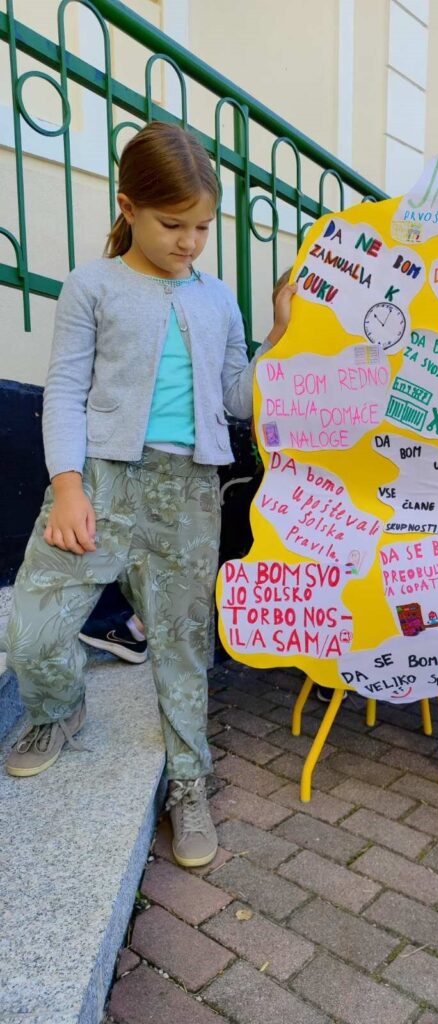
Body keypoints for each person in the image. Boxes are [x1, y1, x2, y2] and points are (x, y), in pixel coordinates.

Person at [3, 121, 293, 871]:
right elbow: (65, 390)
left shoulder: (218, 299)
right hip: (98, 479)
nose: (190, 242)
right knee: (33, 629)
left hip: (187, 490)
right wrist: (68, 486)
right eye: (173, 224)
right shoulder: (92, 286)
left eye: (203, 227)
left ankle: (189, 779)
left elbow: (237, 396)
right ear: (128, 207)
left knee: (182, 642)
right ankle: (57, 711)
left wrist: (279, 335)